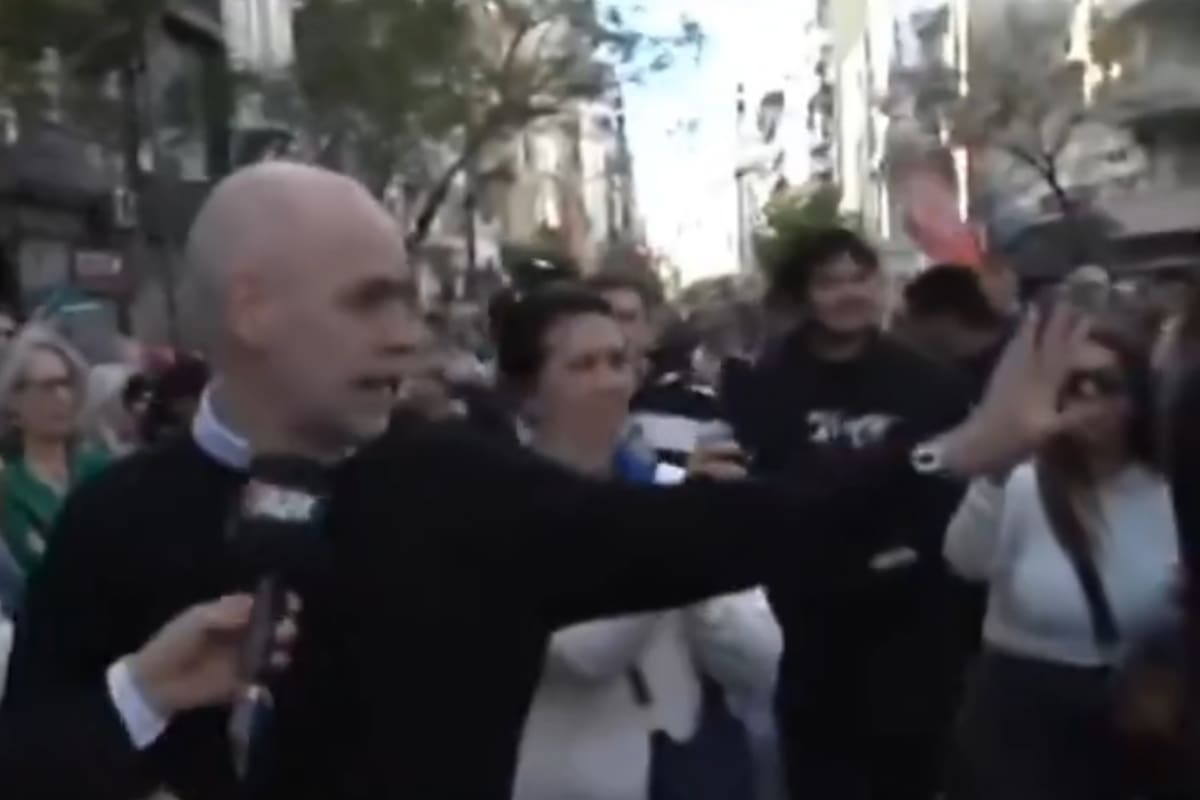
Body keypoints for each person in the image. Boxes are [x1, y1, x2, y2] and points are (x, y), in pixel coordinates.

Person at [1, 163, 1088, 800]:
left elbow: (736, 527)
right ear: (252, 308)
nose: (410, 332)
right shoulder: (114, 518)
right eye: (373, 299)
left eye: (413, 301)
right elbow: (30, 754)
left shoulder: (467, 489)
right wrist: (139, 694)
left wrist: (956, 450)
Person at [501, 286, 780, 800]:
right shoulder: (502, 503)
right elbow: (582, 655)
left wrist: (691, 540)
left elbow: (758, 658)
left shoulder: (668, 486)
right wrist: (673, 537)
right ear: (528, 391)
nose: (608, 381)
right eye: (582, 365)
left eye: (618, 361)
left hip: (690, 767)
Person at [725, 227, 973, 800]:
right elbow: (760, 485)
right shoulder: (767, 382)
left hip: (910, 622)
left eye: (860, 277)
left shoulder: (927, 380)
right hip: (808, 622)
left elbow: (950, 480)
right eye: (829, 281)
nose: (847, 294)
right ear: (804, 294)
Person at [946, 303, 1178, 800]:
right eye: (1072, 385)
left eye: (1106, 383)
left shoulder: (1170, 491)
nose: (1088, 400)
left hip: (1140, 717)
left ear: (1137, 397)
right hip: (1023, 719)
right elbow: (964, 561)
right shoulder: (1021, 481)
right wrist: (999, 462)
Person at [0, 324, 110, 575]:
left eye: (67, 384)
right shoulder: (8, 489)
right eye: (48, 386)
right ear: (12, 400)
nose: (63, 397)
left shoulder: (107, 469)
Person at [899, 264, 1011, 401]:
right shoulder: (1017, 344)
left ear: (943, 316)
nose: (906, 332)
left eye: (910, 318)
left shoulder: (1022, 359)